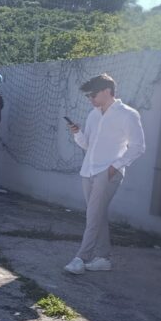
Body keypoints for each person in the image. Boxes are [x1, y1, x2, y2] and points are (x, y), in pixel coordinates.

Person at [64, 73, 145, 275]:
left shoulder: (128, 114)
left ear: (107, 91)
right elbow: (88, 145)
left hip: (107, 173)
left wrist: (114, 167)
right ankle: (103, 258)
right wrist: (77, 133)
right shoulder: (93, 114)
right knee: (97, 216)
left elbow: (138, 147)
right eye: (88, 96)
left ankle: (81, 258)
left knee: (92, 216)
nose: (90, 100)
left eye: (93, 95)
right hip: (88, 171)